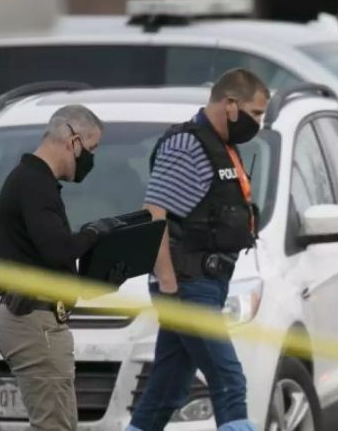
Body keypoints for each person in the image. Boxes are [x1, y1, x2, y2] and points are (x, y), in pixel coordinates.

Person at [127, 68, 269, 431]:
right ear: (230, 104)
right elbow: (154, 213)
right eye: (255, 113)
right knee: (229, 382)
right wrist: (169, 283)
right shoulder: (187, 145)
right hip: (188, 284)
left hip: (207, 282)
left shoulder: (223, 148)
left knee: (166, 391)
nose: (259, 123)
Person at [0, 105, 122, 430]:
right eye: (91, 149)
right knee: (55, 425)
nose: (91, 159)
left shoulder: (34, 181)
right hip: (34, 322)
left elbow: (48, 263)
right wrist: (94, 233)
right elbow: (57, 249)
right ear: (72, 140)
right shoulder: (35, 184)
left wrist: (101, 277)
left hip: (35, 319)